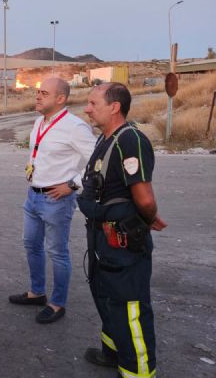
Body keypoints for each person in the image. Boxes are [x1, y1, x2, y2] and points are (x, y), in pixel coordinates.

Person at [78, 83, 167, 377]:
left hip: (123, 242)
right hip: (102, 238)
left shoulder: (130, 140)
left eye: (93, 103)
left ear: (114, 107)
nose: (87, 109)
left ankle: (138, 371)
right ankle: (112, 352)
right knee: (106, 297)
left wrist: (149, 216)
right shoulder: (106, 139)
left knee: (129, 307)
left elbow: (144, 198)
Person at [9, 77, 96, 324]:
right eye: (37, 91)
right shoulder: (39, 122)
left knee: (57, 253)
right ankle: (36, 293)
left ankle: (57, 304)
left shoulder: (75, 127)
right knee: (31, 245)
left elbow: (98, 161)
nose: (37, 96)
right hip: (33, 196)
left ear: (61, 98)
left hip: (56, 200)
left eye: (44, 93)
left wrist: (72, 185)